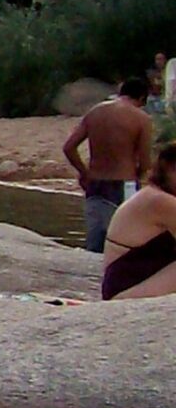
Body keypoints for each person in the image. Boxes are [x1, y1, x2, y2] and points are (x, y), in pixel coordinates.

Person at [65, 78, 157, 253]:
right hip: (125, 184)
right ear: (142, 98)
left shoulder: (94, 112)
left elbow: (69, 148)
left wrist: (84, 173)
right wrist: (137, 176)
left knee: (95, 244)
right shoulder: (141, 119)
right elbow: (145, 162)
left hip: (95, 182)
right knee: (125, 242)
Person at [101, 144, 176, 299]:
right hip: (126, 292)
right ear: (169, 171)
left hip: (127, 286)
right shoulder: (159, 201)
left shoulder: (151, 194)